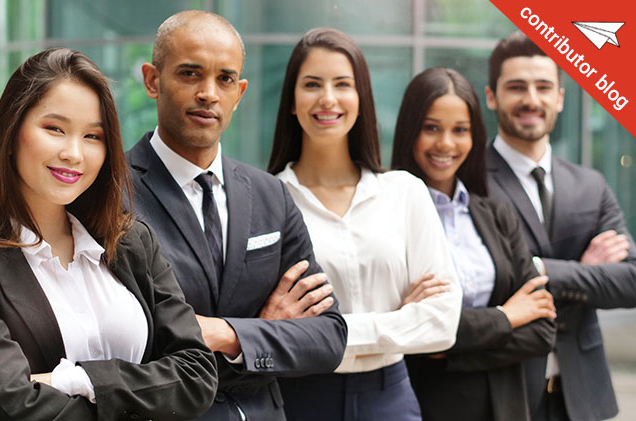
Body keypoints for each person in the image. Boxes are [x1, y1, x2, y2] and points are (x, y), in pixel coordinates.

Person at [0, 48, 218, 421]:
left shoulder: (131, 242)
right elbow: (10, 403)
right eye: (55, 129)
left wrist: (79, 380)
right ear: (12, 130)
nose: (73, 153)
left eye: (92, 136)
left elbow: (197, 375)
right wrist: (147, 397)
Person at [126, 12, 347, 420]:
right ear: (153, 80)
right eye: (190, 74)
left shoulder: (270, 195)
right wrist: (265, 333)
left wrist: (227, 334)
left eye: (225, 79)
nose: (209, 93)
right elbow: (132, 348)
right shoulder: (110, 195)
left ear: (239, 91)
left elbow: (327, 337)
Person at [267, 28, 462, 421]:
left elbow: (442, 323)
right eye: (311, 84)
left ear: (361, 99)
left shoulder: (404, 192)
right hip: (297, 399)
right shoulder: (265, 199)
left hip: (387, 397)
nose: (328, 98)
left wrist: (321, 333)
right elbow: (263, 328)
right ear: (291, 100)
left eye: (343, 84)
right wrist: (398, 320)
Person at [484, 31, 636, 421]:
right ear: (491, 96)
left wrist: (541, 269)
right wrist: (586, 272)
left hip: (583, 398)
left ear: (561, 98)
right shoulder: (471, 183)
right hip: (502, 393)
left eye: (543, 87)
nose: (531, 100)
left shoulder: (590, 184)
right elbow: (489, 284)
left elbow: (631, 281)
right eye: (516, 87)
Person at [390, 66, 556, 421]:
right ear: (410, 131)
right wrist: (506, 317)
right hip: (423, 406)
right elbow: (401, 331)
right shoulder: (386, 214)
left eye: (460, 130)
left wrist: (447, 347)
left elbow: (542, 330)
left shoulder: (497, 214)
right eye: (431, 128)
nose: (446, 144)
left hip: (504, 408)